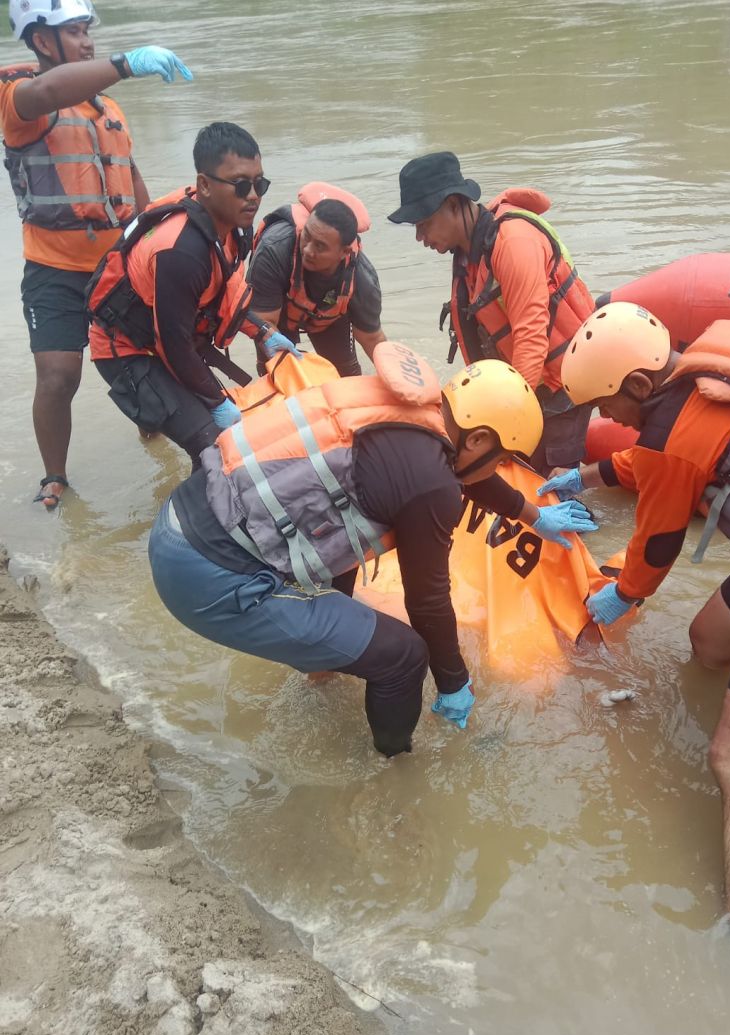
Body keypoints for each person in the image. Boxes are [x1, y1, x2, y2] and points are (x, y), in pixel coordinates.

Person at [547, 301, 730, 928]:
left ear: (637, 385)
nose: (606, 419)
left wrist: (622, 597)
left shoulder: (669, 443)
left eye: (607, 407)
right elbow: (671, 459)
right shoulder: (724, 354)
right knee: (709, 643)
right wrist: (587, 474)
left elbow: (656, 548)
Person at [148, 349, 597, 757]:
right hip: (210, 577)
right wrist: (454, 683)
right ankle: (394, 773)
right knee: (403, 657)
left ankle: (320, 673)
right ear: (479, 439)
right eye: (500, 458)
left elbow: (466, 471)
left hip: (179, 522)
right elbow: (428, 603)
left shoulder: (413, 407)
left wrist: (533, 515)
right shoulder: (431, 485)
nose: (496, 469)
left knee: (343, 566)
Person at [2, 0, 192, 508]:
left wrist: (155, 237)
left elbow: (129, 175)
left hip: (118, 265)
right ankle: (54, 476)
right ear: (43, 41)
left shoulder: (108, 108)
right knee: (59, 376)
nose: (88, 41)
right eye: (77, 31)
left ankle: (154, 432)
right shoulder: (18, 99)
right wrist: (129, 62)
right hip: (54, 270)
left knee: (157, 356)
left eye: (89, 30)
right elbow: (44, 90)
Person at [88, 121, 294, 468]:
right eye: (242, 185)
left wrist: (264, 332)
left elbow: (223, 294)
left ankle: (157, 423)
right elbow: (174, 345)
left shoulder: (232, 227)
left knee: (209, 416)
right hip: (127, 348)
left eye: (260, 183)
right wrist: (216, 402)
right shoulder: (183, 253)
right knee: (214, 446)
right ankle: (202, 517)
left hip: (165, 330)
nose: (254, 196)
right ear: (204, 185)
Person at [388, 150, 595, 476]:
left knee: (548, 483)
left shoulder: (513, 243)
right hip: (529, 381)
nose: (420, 237)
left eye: (424, 223)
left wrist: (511, 415)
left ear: (455, 205)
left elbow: (530, 335)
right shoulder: (469, 249)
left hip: (559, 385)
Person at [249, 184, 387, 376]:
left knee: (345, 374)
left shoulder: (361, 279)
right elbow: (263, 322)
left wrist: (399, 382)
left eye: (320, 246)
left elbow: (372, 340)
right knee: (276, 374)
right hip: (276, 312)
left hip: (328, 316)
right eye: (306, 236)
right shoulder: (274, 250)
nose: (307, 250)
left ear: (344, 252)